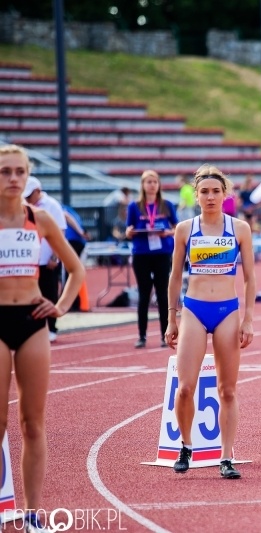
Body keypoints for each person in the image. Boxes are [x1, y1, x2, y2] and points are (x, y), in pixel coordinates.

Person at [0, 144, 85, 533]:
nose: (13, 178)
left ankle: (33, 516)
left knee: (33, 423)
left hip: (33, 320)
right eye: (5, 172)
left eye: (19, 171)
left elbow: (76, 269)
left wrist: (61, 306)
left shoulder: (40, 218)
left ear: (29, 175)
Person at [164, 164, 255, 479]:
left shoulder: (239, 228)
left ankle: (226, 456)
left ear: (225, 194)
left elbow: (251, 278)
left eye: (216, 191)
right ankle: (186, 445)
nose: (210, 196)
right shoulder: (185, 229)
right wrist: (171, 318)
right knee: (185, 387)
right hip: (193, 310)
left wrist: (248, 320)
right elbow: (175, 276)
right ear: (196, 195)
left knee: (227, 390)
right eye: (205, 191)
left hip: (227, 311)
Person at [125, 170, 178, 349]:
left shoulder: (166, 205)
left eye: (155, 181)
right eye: (148, 181)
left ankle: (165, 335)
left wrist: (167, 232)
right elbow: (128, 230)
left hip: (162, 253)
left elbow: (177, 227)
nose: (152, 185)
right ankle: (142, 336)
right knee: (144, 294)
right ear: (142, 185)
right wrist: (130, 232)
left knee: (163, 294)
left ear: (159, 184)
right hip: (141, 254)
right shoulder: (134, 206)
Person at [24, 176, 68, 342]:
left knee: (49, 293)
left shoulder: (52, 206)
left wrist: (55, 256)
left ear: (38, 191)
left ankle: (52, 326)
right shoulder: (23, 205)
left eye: (29, 196)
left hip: (47, 260)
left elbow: (61, 233)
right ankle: (34, 326)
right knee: (31, 295)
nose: (28, 199)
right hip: (30, 261)